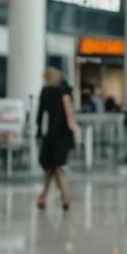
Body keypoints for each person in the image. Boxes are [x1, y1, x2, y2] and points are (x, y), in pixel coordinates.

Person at [36, 66, 79, 210]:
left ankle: (60, 196)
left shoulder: (46, 92)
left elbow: (41, 114)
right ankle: (48, 196)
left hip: (52, 135)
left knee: (54, 167)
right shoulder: (65, 92)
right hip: (65, 134)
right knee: (53, 167)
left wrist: (38, 132)